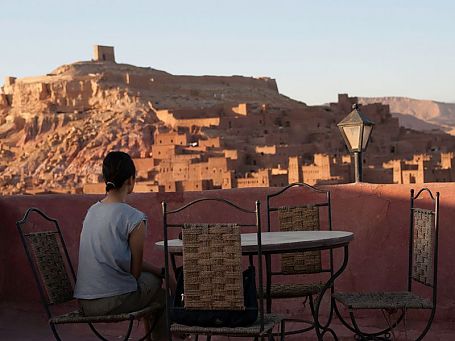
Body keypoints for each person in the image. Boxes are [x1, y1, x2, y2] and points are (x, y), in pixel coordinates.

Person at [74, 151, 166, 340]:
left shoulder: (92, 211)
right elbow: (136, 272)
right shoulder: (135, 218)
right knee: (159, 290)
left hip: (85, 302)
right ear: (131, 180)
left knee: (152, 282)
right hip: (113, 301)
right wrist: (163, 275)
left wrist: (158, 270)